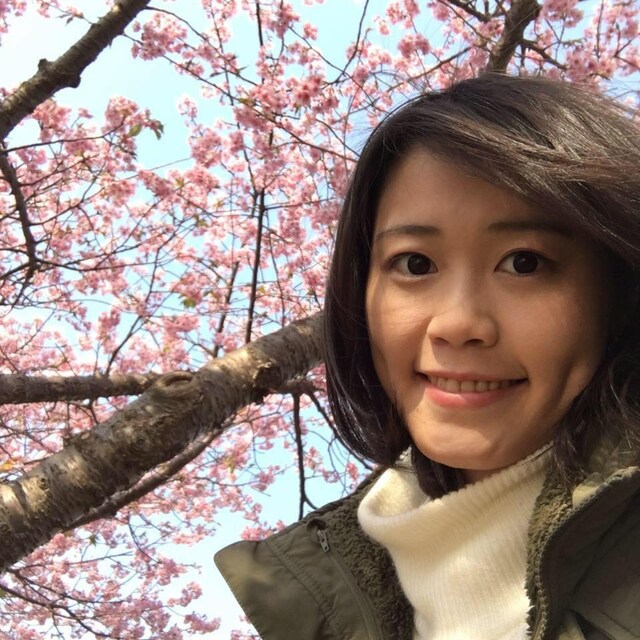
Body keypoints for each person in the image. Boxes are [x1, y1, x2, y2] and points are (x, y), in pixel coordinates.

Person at [215, 73, 640, 640]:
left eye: (524, 263)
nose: (457, 324)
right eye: (415, 264)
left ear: (618, 291)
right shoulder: (328, 600)